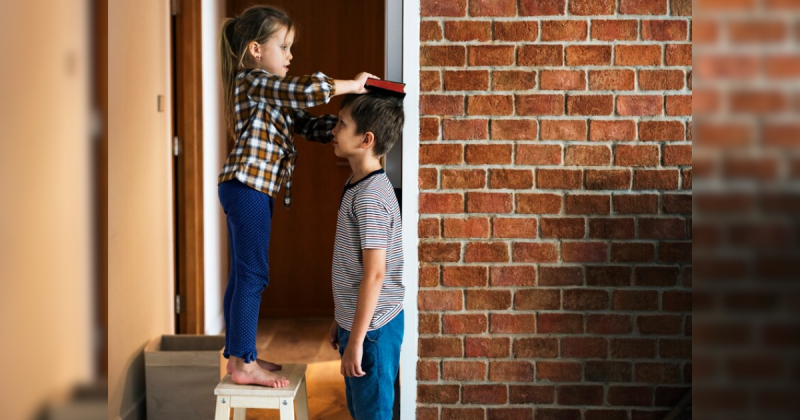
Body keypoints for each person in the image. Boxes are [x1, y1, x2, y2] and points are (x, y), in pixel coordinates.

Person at [218, 4, 376, 388]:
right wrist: (352, 85)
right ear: (256, 51)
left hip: (248, 188)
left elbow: (308, 124)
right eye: (284, 47)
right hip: (247, 187)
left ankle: (241, 355)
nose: (290, 56)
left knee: (243, 274)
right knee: (254, 274)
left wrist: (352, 123)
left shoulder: (270, 95)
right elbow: (306, 90)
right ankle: (243, 364)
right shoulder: (252, 80)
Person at [328, 93, 405, 419]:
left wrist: (357, 340)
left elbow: (375, 274)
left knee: (372, 413)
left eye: (342, 123)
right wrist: (341, 318)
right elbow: (356, 270)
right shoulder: (358, 184)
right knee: (361, 410)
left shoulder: (370, 197)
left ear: (366, 139)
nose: (333, 129)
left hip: (372, 331)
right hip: (361, 324)